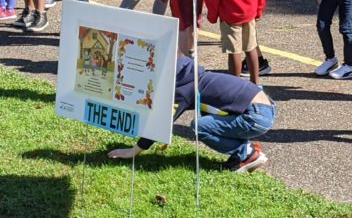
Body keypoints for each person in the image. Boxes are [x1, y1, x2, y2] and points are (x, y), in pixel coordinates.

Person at [107, 55, 274, 173]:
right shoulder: (195, 75)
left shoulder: (183, 88)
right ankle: (244, 151)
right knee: (208, 121)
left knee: (199, 126)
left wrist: (134, 150)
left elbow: (163, 121)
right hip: (263, 108)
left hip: (255, 115)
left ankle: (247, 153)